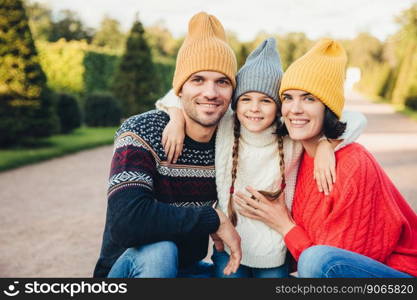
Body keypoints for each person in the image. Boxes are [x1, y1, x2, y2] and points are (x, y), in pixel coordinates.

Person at [156, 38, 366, 277]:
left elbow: (356, 118)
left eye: (265, 101)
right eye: (246, 99)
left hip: (274, 255)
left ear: (278, 107)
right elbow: (177, 92)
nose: (254, 108)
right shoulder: (226, 124)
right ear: (236, 102)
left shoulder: (288, 133)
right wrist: (175, 117)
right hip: (229, 248)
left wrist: (327, 143)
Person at [234, 38, 417, 278]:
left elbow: (331, 264)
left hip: (396, 275)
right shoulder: (296, 154)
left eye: (309, 98)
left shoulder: (353, 164)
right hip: (331, 268)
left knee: (316, 258)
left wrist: (284, 225)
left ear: (327, 107)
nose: (295, 109)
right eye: (288, 97)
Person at [93, 12, 242, 278]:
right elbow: (127, 222)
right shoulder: (142, 130)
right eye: (198, 80)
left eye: (222, 82)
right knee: (160, 250)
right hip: (130, 269)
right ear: (179, 89)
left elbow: (289, 120)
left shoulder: (228, 140)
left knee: (238, 275)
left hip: (185, 270)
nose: (210, 93)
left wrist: (325, 143)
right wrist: (213, 217)